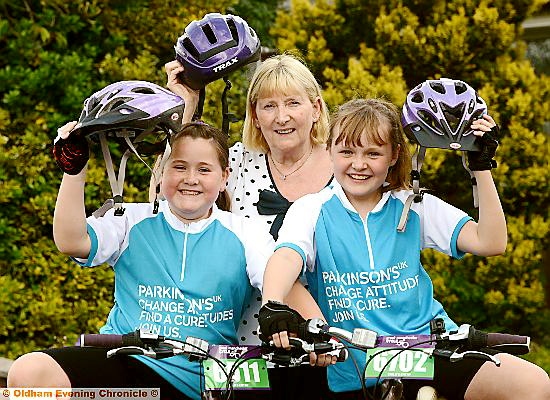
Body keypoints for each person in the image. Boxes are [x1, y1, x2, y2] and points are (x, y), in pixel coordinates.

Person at [257, 98, 550, 399]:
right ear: (329, 150)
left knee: (533, 384)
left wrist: (481, 168)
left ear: (394, 155)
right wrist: (272, 305)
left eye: (373, 153)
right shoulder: (311, 208)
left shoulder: (412, 203)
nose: (359, 164)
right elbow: (286, 257)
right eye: (346, 151)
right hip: (357, 366)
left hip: (427, 351)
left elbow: (491, 242)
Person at [7, 117, 277, 400]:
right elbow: (71, 242)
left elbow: (276, 278)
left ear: (224, 178)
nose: (190, 178)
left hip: (212, 371)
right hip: (129, 358)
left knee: (275, 386)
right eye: (179, 166)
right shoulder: (131, 219)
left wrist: (280, 313)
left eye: (204, 169)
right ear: (161, 172)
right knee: (30, 372)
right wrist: (75, 170)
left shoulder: (246, 231)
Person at [163, 53, 335, 397]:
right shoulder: (237, 161)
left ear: (315, 108)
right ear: (254, 115)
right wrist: (182, 105)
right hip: (246, 349)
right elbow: (171, 193)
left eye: (292, 103)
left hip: (332, 348)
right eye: (268, 106)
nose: (281, 117)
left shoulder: (347, 165)